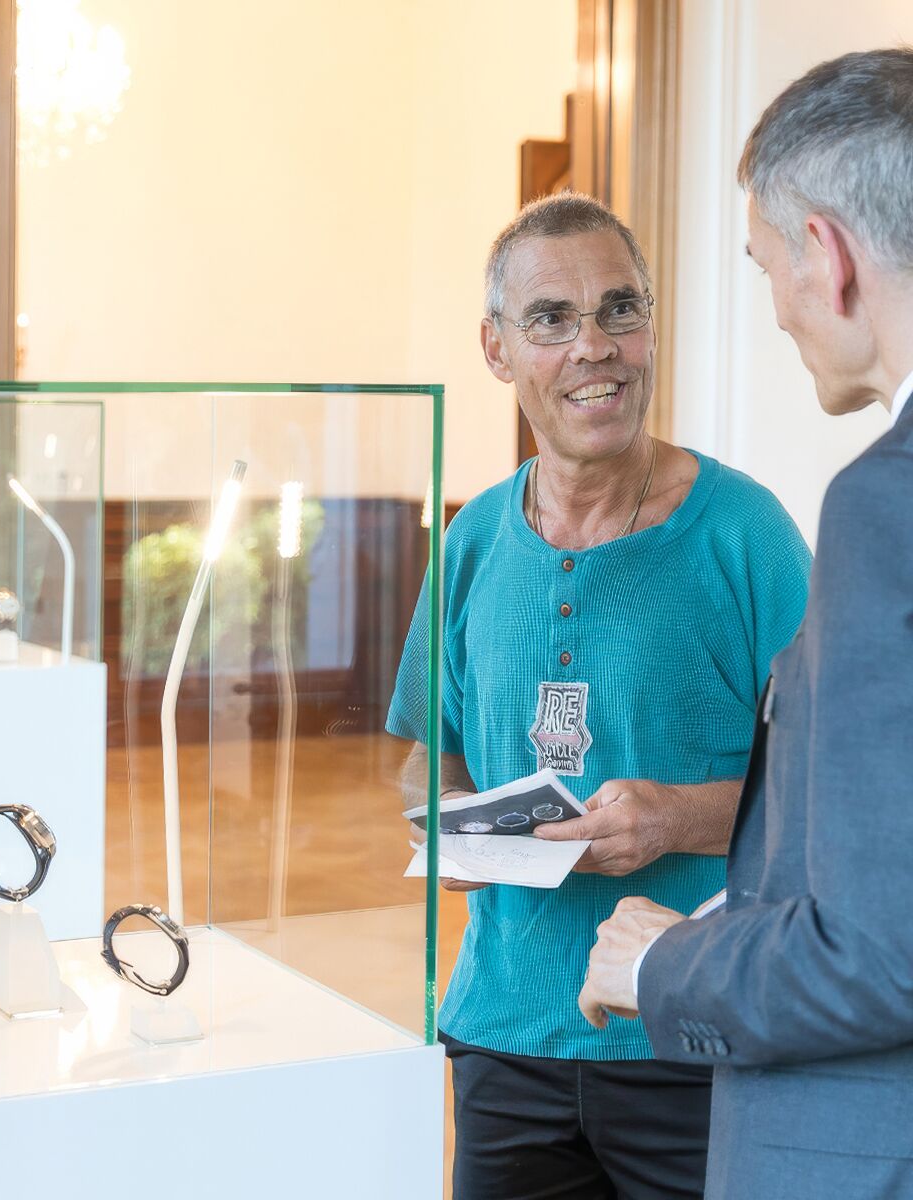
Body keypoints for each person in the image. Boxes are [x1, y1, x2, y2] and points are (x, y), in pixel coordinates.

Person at [387, 192, 811, 1199]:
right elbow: (425, 756)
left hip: (692, 1029)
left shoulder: (746, 537)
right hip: (501, 1034)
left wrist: (679, 815)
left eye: (622, 311)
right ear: (497, 350)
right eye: (553, 320)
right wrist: (449, 833)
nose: (596, 347)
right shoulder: (475, 541)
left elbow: (839, 797)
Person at [580, 47, 913, 1199]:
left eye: (765, 264)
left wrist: (667, 959)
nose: (774, 309)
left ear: (826, 254)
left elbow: (881, 954)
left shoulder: (881, 505)